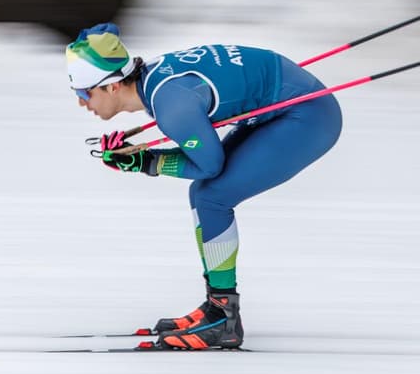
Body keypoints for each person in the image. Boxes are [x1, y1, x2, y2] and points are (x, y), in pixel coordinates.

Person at [66, 23, 342, 350]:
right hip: (284, 98)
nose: (83, 103)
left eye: (84, 94)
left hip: (306, 116)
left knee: (212, 196)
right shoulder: (155, 80)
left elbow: (210, 165)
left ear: (112, 86)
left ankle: (225, 319)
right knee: (203, 194)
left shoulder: (172, 106)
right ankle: (217, 307)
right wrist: (145, 157)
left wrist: (146, 162)